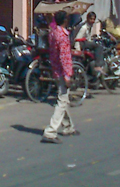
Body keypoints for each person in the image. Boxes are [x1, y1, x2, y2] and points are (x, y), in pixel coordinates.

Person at [41, 9, 79, 144]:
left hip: (56, 69)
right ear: (65, 20)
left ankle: (68, 126)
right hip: (62, 71)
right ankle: (50, 132)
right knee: (62, 100)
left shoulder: (53, 33)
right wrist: (67, 75)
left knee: (64, 98)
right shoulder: (62, 35)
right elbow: (64, 57)